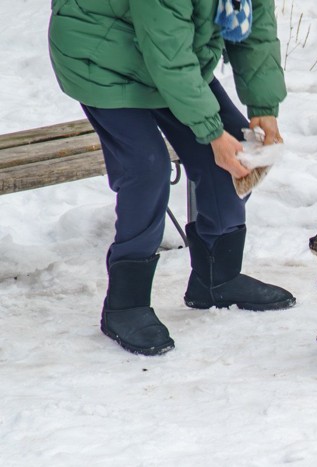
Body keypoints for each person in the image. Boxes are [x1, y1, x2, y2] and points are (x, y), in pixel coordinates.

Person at [48, 0, 295, 356]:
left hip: (170, 50)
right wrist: (211, 134)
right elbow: (168, 55)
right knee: (147, 168)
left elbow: (255, 29)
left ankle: (216, 278)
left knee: (236, 144)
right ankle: (126, 304)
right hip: (101, 54)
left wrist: (263, 109)